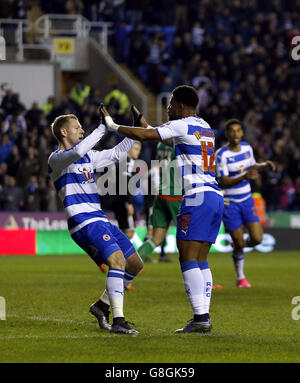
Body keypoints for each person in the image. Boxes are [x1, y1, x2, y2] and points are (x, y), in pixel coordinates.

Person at [100, 85, 224, 333]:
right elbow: (163, 136)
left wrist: (113, 126)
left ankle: (200, 317)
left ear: (179, 105)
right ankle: (203, 316)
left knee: (187, 257)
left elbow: (148, 137)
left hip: (196, 196)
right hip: (214, 196)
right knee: (200, 258)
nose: (168, 110)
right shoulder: (205, 127)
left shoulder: (182, 124)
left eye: (170, 106)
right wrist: (144, 122)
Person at [48, 112, 144, 335]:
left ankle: (101, 306)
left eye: (82, 127)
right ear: (63, 132)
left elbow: (117, 152)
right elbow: (79, 150)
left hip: (101, 220)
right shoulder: (56, 159)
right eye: (77, 127)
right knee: (117, 262)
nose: (82, 131)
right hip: (83, 223)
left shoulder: (88, 157)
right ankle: (119, 321)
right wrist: (104, 127)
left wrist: (133, 128)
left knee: (135, 265)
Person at [215, 119, 275, 287]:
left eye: (238, 130)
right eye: (232, 131)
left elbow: (252, 165)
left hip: (247, 200)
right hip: (230, 203)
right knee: (240, 243)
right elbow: (223, 181)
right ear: (227, 134)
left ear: (242, 133)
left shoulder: (247, 148)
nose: (235, 134)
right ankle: (240, 277)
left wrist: (264, 165)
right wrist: (244, 177)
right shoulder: (221, 154)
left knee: (257, 239)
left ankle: (238, 246)